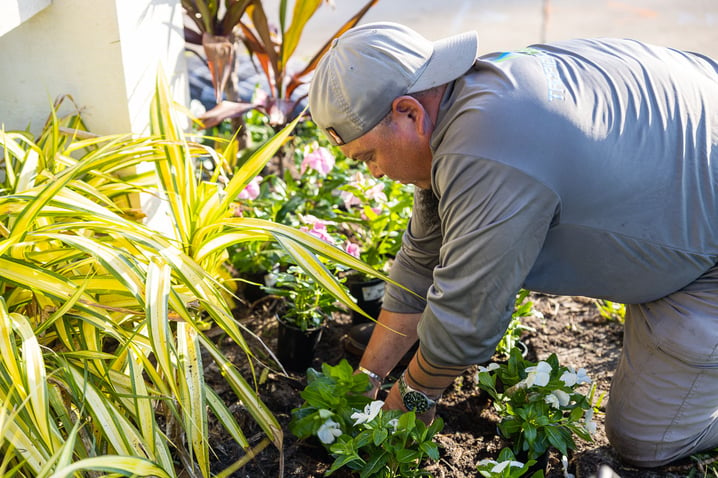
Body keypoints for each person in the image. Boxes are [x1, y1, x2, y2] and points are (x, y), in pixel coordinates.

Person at [308, 21, 718, 468]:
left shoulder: (491, 150)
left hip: (707, 250)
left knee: (647, 440)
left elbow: (465, 323)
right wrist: (365, 381)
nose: (373, 173)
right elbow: (422, 260)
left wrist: (404, 412)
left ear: (409, 112)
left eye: (368, 155)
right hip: (689, 163)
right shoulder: (468, 102)